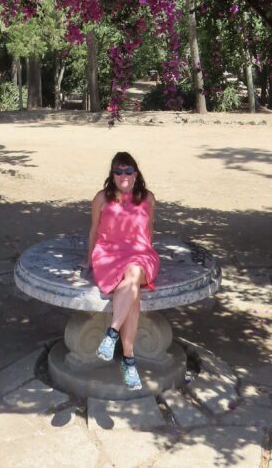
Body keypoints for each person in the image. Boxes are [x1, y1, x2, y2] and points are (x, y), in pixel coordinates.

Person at [84, 151, 159, 391]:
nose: (123, 175)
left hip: (140, 254)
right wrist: (89, 260)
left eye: (128, 171)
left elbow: (149, 231)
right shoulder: (101, 199)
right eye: (119, 171)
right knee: (132, 292)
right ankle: (129, 360)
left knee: (134, 271)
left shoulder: (148, 198)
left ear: (136, 174)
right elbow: (94, 231)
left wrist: (145, 251)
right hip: (109, 256)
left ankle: (111, 333)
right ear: (112, 175)